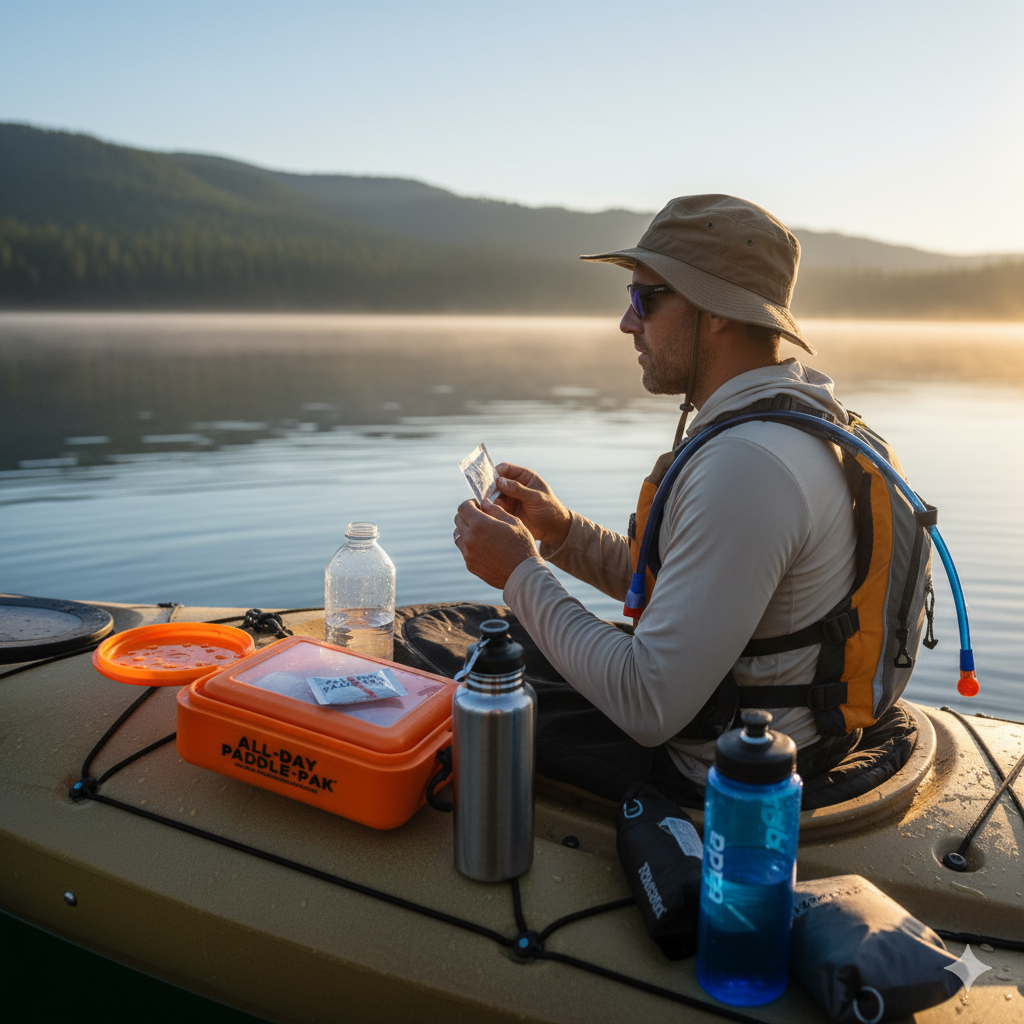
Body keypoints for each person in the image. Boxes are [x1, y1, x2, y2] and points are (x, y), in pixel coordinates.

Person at [452, 194, 864, 804]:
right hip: (778, 739)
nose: (627, 322)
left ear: (715, 309)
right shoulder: (788, 426)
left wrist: (518, 572)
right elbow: (689, 595)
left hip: (729, 776)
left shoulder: (748, 468)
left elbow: (648, 704)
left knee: (465, 676)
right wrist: (561, 533)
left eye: (645, 298)